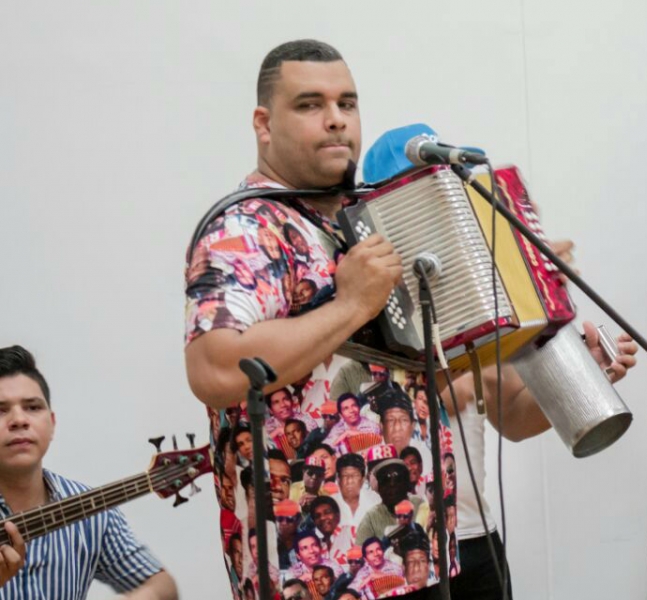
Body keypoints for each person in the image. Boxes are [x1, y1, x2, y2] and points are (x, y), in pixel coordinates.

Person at [183, 39, 466, 598]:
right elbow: (213, 371)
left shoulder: (366, 218)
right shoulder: (245, 227)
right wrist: (351, 304)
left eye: (348, 104)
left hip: (418, 552)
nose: (336, 120)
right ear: (264, 124)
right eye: (310, 105)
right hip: (314, 576)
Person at [360, 124, 640, 600]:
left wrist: (585, 372)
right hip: (398, 551)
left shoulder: (471, 294)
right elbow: (443, 390)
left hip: (473, 538)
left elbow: (513, 416)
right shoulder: (371, 302)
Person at [0, 346, 178, 599]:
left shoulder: (91, 510)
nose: (19, 420)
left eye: (32, 407)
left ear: (52, 424)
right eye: (1, 410)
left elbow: (162, 586)